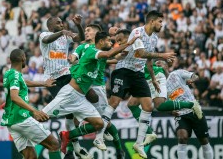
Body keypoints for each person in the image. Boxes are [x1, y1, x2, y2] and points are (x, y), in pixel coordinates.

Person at [93, 10, 176, 159]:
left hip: (138, 73)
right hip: (123, 70)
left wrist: (154, 79)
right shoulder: (137, 32)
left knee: (148, 106)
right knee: (114, 102)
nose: (161, 24)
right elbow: (142, 53)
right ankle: (99, 136)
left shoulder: (154, 38)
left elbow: (148, 60)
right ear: (151, 21)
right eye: (159, 21)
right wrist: (162, 55)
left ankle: (139, 143)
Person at [42, 31, 138, 155]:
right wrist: (129, 43)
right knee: (41, 116)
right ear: (101, 41)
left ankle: (69, 136)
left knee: (100, 123)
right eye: (109, 40)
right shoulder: (92, 50)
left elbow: (113, 57)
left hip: (82, 96)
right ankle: (24, 122)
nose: (111, 42)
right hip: (70, 94)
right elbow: (108, 53)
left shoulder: (100, 54)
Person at [114, 28, 202, 148]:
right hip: (145, 80)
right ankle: (150, 133)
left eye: (120, 40)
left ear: (128, 37)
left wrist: (158, 68)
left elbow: (148, 59)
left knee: (159, 106)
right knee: (132, 105)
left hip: (153, 78)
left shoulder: (137, 45)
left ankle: (191, 105)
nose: (118, 43)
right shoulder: (126, 50)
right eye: (117, 41)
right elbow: (113, 59)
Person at [70, 26, 125, 159]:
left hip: (97, 86)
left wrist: (114, 38)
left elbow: (114, 55)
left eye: (89, 30)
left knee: (104, 121)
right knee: (76, 118)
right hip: (81, 86)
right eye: (86, 30)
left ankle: (119, 149)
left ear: (97, 34)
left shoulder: (102, 46)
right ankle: (74, 144)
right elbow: (72, 59)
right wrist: (76, 62)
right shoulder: (82, 47)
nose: (86, 32)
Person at [39, 15, 88, 159]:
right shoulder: (45, 34)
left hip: (66, 74)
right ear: (50, 25)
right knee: (68, 110)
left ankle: (71, 147)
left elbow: (80, 38)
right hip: (52, 79)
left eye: (62, 23)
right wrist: (62, 32)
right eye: (58, 23)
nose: (62, 24)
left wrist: (78, 25)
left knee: (73, 111)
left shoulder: (65, 36)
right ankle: (70, 145)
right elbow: (46, 40)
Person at [0, 49, 61, 159]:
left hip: (11, 122)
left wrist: (44, 83)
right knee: (54, 144)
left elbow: (23, 82)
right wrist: (34, 111)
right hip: (21, 118)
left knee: (30, 156)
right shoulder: (15, 75)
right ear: (23, 58)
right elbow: (14, 97)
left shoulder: (9, 73)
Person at [167, 69, 213, 159]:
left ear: (166, 65)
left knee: (203, 140)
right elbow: (160, 104)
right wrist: (170, 112)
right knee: (182, 138)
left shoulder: (177, 73)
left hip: (194, 110)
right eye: (157, 64)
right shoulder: (160, 85)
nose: (159, 65)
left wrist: (191, 80)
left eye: (161, 63)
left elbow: (195, 76)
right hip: (180, 114)